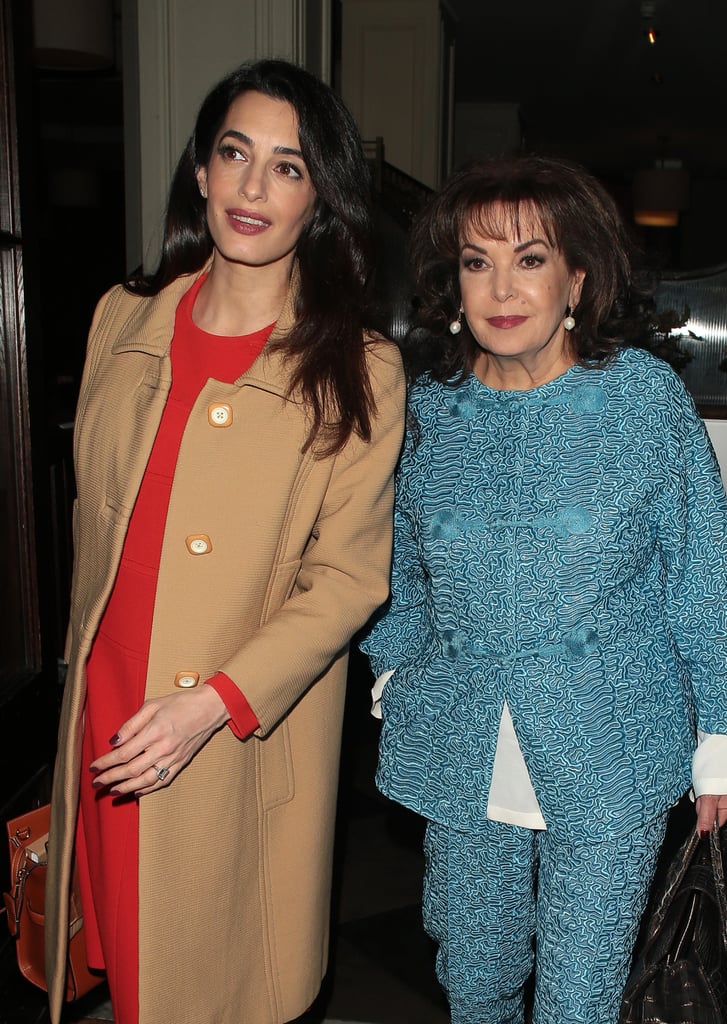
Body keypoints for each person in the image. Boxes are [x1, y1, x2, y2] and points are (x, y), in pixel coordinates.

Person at [360, 154, 727, 1024]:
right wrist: (393, 671)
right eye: (478, 262)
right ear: (453, 283)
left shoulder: (639, 401)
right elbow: (393, 554)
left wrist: (723, 739)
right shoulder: (427, 410)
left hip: (611, 737)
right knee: (472, 977)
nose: (502, 288)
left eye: (530, 259)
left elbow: (703, 569)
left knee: (580, 996)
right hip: (460, 736)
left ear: (577, 275)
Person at [44, 59, 405, 1024]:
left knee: (207, 983)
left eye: (288, 168)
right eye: (234, 154)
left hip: (230, 717)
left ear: (318, 198)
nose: (253, 187)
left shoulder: (359, 366)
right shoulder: (120, 323)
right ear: (199, 172)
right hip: (106, 699)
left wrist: (213, 704)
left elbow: (347, 576)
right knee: (128, 967)